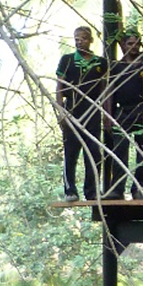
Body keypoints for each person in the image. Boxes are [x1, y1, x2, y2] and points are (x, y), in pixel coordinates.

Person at [56, 26, 108, 201]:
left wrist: (105, 113)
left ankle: (92, 191)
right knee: (71, 151)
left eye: (83, 38)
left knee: (93, 152)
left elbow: (104, 89)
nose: (79, 42)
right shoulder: (67, 60)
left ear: (90, 40)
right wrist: (61, 112)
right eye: (76, 39)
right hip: (72, 110)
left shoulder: (100, 63)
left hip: (92, 111)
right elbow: (59, 86)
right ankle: (70, 190)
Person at [105, 30, 143, 200]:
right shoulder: (116, 67)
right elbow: (109, 92)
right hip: (122, 112)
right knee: (119, 150)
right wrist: (108, 116)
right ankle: (117, 189)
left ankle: (139, 188)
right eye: (130, 44)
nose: (134, 47)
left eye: (137, 44)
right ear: (123, 46)